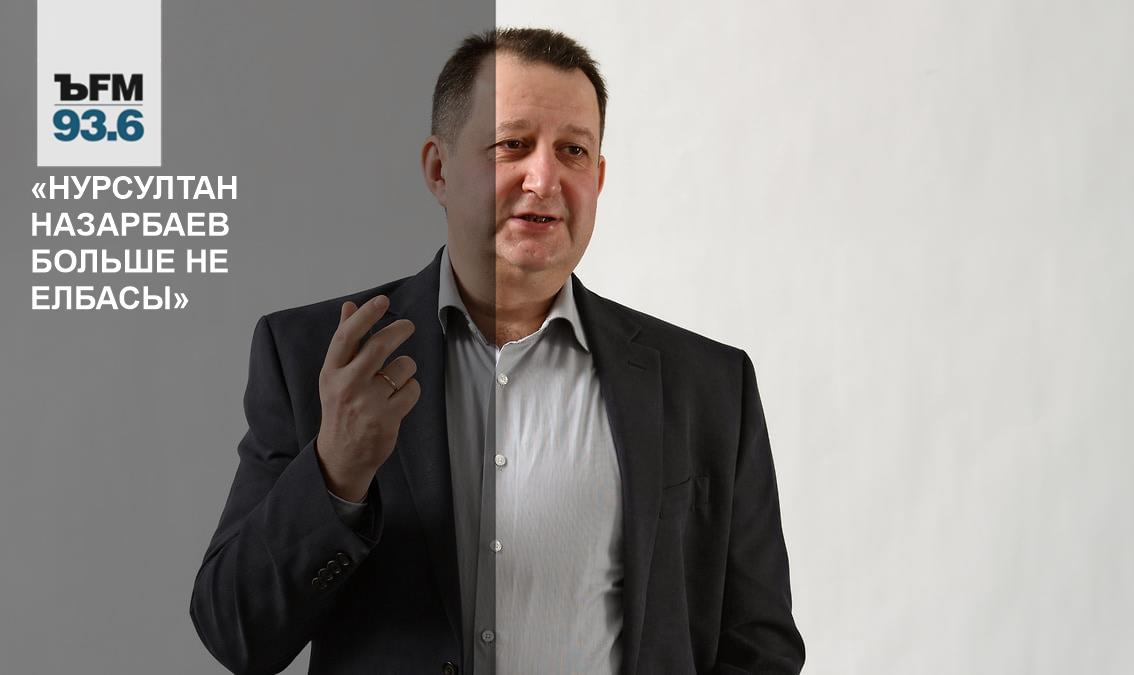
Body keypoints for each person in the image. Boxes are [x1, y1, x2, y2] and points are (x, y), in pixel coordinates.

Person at [190, 27, 804, 675]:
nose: (544, 177)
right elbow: (237, 635)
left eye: (573, 151)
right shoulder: (315, 357)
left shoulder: (707, 384)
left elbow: (760, 647)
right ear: (439, 169)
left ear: (597, 178)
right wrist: (334, 472)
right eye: (512, 144)